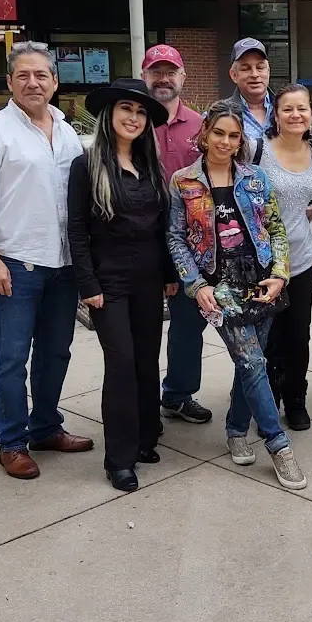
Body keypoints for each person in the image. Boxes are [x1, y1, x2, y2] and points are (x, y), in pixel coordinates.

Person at [0, 41, 94, 480]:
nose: (33, 83)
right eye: (24, 76)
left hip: (63, 263)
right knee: (12, 357)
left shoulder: (67, 130)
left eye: (41, 75)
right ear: (10, 83)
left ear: (55, 82)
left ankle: (46, 427)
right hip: (16, 263)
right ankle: (12, 442)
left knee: (56, 352)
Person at [168, 101, 307, 490]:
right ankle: (278, 444)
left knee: (252, 363)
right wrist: (197, 285)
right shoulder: (184, 181)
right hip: (219, 288)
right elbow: (176, 238)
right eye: (218, 133)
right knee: (251, 361)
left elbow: (276, 229)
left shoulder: (256, 178)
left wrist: (280, 274)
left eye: (233, 135)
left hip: (260, 283)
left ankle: (234, 428)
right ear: (204, 134)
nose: (225, 141)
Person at [68, 78, 179, 492]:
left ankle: (145, 438)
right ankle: (119, 458)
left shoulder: (151, 166)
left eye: (140, 113)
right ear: (109, 115)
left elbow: (161, 228)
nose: (133, 118)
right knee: (121, 365)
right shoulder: (87, 165)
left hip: (150, 279)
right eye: (125, 110)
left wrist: (169, 274)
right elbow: (77, 230)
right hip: (108, 283)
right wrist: (88, 283)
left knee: (148, 361)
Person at [141, 43, 213, 425]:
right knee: (141, 326)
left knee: (188, 323)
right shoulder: (133, 120)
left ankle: (177, 394)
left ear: (183, 78)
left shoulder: (201, 125)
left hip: (187, 244)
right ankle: (139, 402)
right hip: (138, 242)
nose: (163, 79)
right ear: (145, 76)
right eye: (156, 72)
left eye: (171, 72)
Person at [258, 84, 312, 431]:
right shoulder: (257, 150)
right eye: (287, 109)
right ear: (275, 115)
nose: (295, 115)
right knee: (268, 336)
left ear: (311, 114)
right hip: (263, 262)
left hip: (302, 259)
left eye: (302, 109)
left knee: (298, 334)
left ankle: (296, 397)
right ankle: (267, 400)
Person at [225, 37, 274, 145]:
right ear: (234, 75)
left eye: (260, 67)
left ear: (268, 71)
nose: (255, 74)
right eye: (245, 68)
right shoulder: (218, 115)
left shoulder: (288, 111)